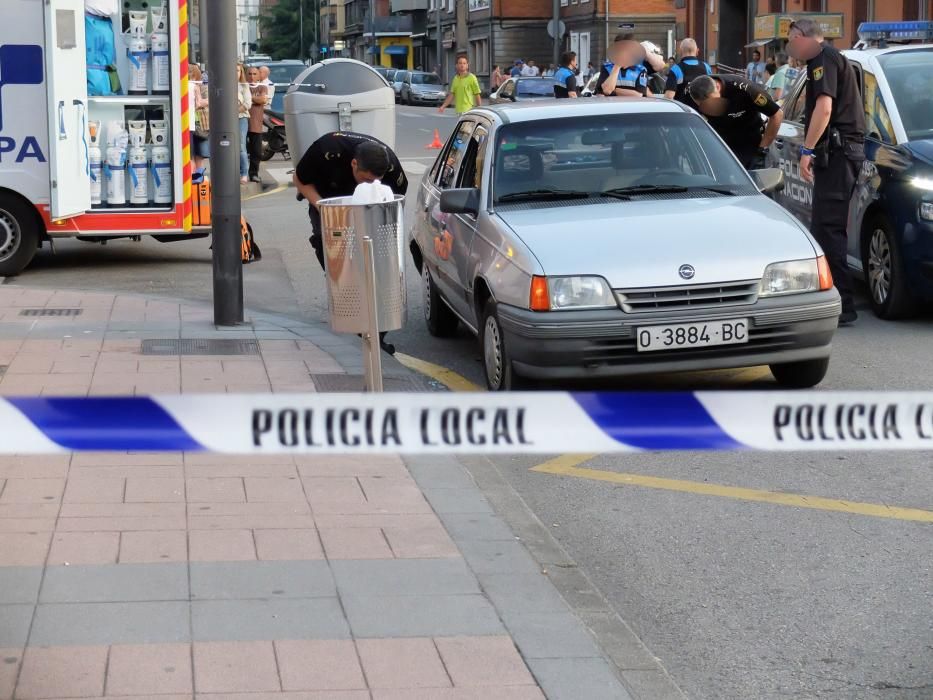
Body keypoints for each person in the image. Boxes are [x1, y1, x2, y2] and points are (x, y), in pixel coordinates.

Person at [292, 132, 408, 353]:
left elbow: (395, 203)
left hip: (370, 208)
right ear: (354, 164)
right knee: (334, 255)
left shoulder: (390, 165)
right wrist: (324, 209)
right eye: (366, 180)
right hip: (329, 201)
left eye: (376, 181)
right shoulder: (327, 149)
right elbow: (299, 179)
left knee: (378, 266)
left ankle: (375, 333)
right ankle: (351, 311)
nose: (371, 184)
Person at [787, 18, 865, 325]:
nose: (790, 46)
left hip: (838, 153)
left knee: (828, 227)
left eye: (791, 40)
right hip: (838, 152)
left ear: (804, 37)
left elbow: (825, 107)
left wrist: (806, 150)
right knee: (825, 226)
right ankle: (838, 299)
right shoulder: (826, 58)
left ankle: (843, 304)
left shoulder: (823, 58)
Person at [687, 74, 784, 169]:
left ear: (717, 87)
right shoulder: (690, 95)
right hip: (722, 145)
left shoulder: (745, 89)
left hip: (752, 139)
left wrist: (762, 149)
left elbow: (777, 114)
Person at [663, 37, 711, 107]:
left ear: (680, 51)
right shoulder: (706, 67)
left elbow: (669, 97)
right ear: (697, 51)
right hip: (702, 113)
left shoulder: (676, 69)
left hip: (684, 113)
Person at [246, 66, 267, 183]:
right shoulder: (242, 86)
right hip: (242, 122)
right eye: (249, 74)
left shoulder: (262, 87)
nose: (252, 76)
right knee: (242, 151)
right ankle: (241, 174)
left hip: (256, 124)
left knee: (257, 151)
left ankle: (253, 174)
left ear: (259, 75)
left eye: (254, 74)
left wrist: (248, 98)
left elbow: (263, 100)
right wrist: (255, 98)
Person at [188, 64, 209, 181]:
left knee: (190, 152)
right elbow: (199, 103)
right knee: (198, 150)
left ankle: (192, 174)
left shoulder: (181, 85)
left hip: (187, 123)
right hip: (195, 121)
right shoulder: (194, 87)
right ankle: (197, 175)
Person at [237, 64, 251, 185]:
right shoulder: (224, 84)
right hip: (226, 120)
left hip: (241, 118)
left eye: (237, 71)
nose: (235, 73)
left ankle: (244, 174)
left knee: (241, 146)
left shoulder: (244, 86)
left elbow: (248, 104)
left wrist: (233, 111)